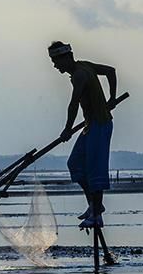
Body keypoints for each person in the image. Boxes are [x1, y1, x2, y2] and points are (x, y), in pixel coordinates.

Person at [49, 41, 117, 228]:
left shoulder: (80, 74)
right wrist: (111, 97)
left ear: (65, 58)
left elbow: (73, 104)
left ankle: (96, 215)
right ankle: (94, 206)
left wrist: (67, 129)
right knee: (75, 164)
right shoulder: (84, 66)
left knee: (95, 170)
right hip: (90, 125)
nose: (55, 66)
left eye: (56, 61)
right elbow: (110, 71)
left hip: (100, 124)